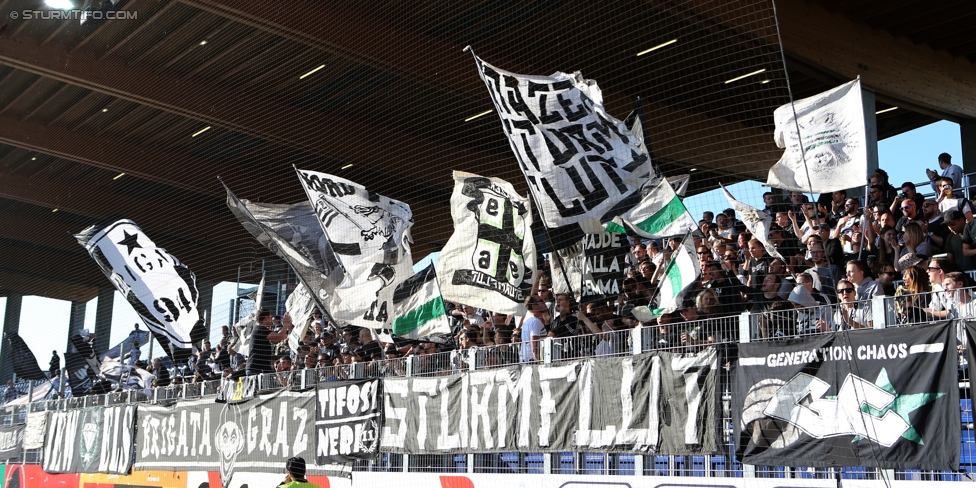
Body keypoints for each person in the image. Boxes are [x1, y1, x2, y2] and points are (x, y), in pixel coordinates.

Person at [246, 308, 292, 376]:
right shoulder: (260, 329)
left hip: (259, 368)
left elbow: (277, 339)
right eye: (270, 317)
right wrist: (285, 325)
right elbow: (278, 337)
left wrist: (286, 328)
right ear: (266, 318)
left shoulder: (259, 329)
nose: (272, 321)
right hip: (257, 369)